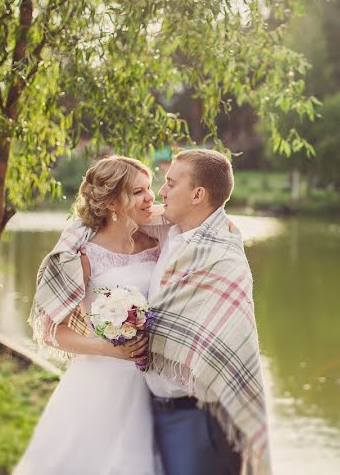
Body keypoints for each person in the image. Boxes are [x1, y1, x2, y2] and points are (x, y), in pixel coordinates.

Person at [16, 156, 167, 475]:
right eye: (138, 191)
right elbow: (53, 331)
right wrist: (110, 349)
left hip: (159, 379)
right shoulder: (80, 254)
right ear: (112, 201)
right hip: (101, 380)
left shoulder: (160, 241)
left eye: (149, 187)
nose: (150, 196)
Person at [143, 149, 271, 475]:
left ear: (198, 194)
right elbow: (102, 221)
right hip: (151, 410)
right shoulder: (168, 235)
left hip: (202, 419)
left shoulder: (222, 258)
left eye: (171, 184)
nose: (161, 191)